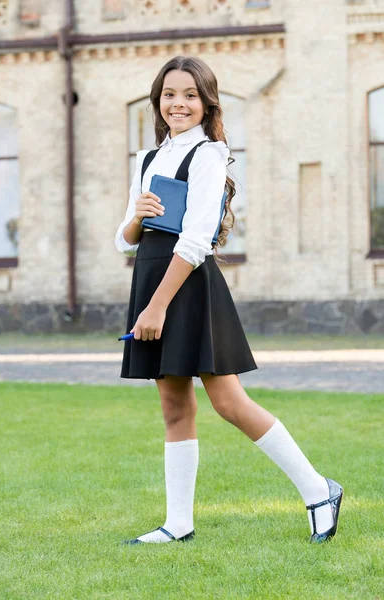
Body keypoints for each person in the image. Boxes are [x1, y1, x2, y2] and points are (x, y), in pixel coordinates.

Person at [114, 55, 343, 545]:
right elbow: (125, 238)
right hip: (151, 274)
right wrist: (137, 216)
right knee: (174, 406)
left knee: (228, 400)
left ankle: (319, 489)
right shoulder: (147, 158)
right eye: (170, 94)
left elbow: (196, 241)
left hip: (186, 283)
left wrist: (156, 306)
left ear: (206, 102)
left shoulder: (210, 155)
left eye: (190, 95)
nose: (179, 103)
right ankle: (178, 524)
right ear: (159, 100)